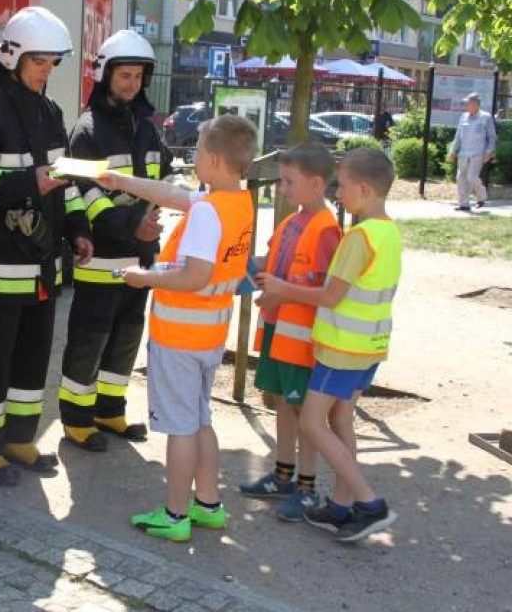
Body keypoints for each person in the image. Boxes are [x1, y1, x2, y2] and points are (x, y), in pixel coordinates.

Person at [99, 114, 257, 543]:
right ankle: (207, 505)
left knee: (180, 427)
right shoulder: (236, 202)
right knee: (200, 420)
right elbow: (172, 194)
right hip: (209, 334)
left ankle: (174, 513)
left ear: (217, 160)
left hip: (180, 336)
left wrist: (143, 277)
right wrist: (121, 181)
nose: (195, 161)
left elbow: (193, 277)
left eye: (200, 154)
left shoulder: (207, 213)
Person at [0, 6, 93, 486]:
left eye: (53, 63)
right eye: (40, 61)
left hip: (42, 268)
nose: (46, 71)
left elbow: (69, 180)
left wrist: (79, 228)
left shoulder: (51, 113)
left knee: (33, 360)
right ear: (13, 56)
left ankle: (18, 438)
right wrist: (29, 181)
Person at [257, 148, 401, 542]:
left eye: (344, 187)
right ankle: (340, 505)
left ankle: (369, 502)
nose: (339, 195)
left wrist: (283, 289)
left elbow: (330, 296)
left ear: (365, 188)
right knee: (340, 421)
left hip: (342, 349)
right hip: (368, 346)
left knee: (311, 421)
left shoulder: (357, 237)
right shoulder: (388, 232)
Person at [59, 30, 169, 452]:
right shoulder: (87, 130)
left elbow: (158, 179)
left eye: (138, 77)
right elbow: (87, 196)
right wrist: (131, 227)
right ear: (105, 74)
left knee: (126, 336)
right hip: (103, 255)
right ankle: (75, 418)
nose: (131, 84)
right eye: (124, 76)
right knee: (90, 337)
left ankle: (109, 409)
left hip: (140, 257)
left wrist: (151, 223)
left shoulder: (146, 128)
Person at [239, 143, 342, 522]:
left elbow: (331, 291)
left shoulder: (328, 230)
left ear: (316, 185)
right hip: (277, 331)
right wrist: (240, 266)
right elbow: (272, 262)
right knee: (282, 401)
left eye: (288, 181)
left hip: (302, 340)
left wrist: (281, 291)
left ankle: (308, 488)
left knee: (302, 411)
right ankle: (283, 475)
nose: (282, 189)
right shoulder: (289, 221)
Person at [447, 92, 496, 211]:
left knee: (471, 177)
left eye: (468, 103)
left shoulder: (486, 117)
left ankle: (481, 196)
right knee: (460, 178)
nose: (466, 106)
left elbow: (492, 137)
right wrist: (453, 151)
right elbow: (458, 136)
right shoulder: (463, 117)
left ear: (475, 104)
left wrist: (488, 152)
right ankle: (464, 204)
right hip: (463, 153)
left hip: (478, 153)